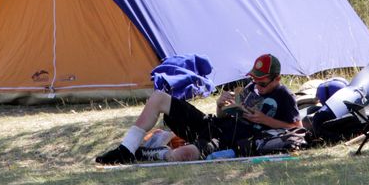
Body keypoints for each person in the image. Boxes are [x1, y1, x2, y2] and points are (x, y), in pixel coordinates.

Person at [95, 53, 301, 165]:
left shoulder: (284, 96)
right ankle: (125, 150)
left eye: (262, 82)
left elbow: (297, 127)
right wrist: (221, 106)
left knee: (181, 155)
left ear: (277, 78)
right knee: (159, 97)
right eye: (254, 79)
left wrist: (264, 120)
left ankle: (145, 155)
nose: (257, 85)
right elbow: (223, 116)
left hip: (227, 140)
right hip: (211, 124)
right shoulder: (250, 87)